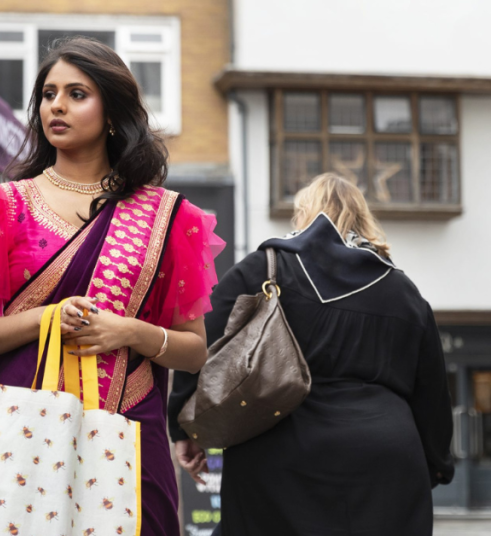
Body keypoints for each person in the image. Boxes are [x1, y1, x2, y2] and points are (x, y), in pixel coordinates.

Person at [0, 37, 224, 535]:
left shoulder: (167, 218)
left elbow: (195, 351)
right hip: (27, 432)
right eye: (48, 94)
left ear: (112, 113)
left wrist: (129, 332)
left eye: (76, 94)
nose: (57, 107)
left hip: (130, 429)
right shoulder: (0, 208)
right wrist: (45, 318)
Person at [169, 173, 454, 535]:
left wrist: (183, 426)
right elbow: (432, 391)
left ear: (303, 213)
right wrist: (436, 463)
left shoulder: (266, 267)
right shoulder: (402, 289)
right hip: (384, 461)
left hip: (278, 451)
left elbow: (200, 341)